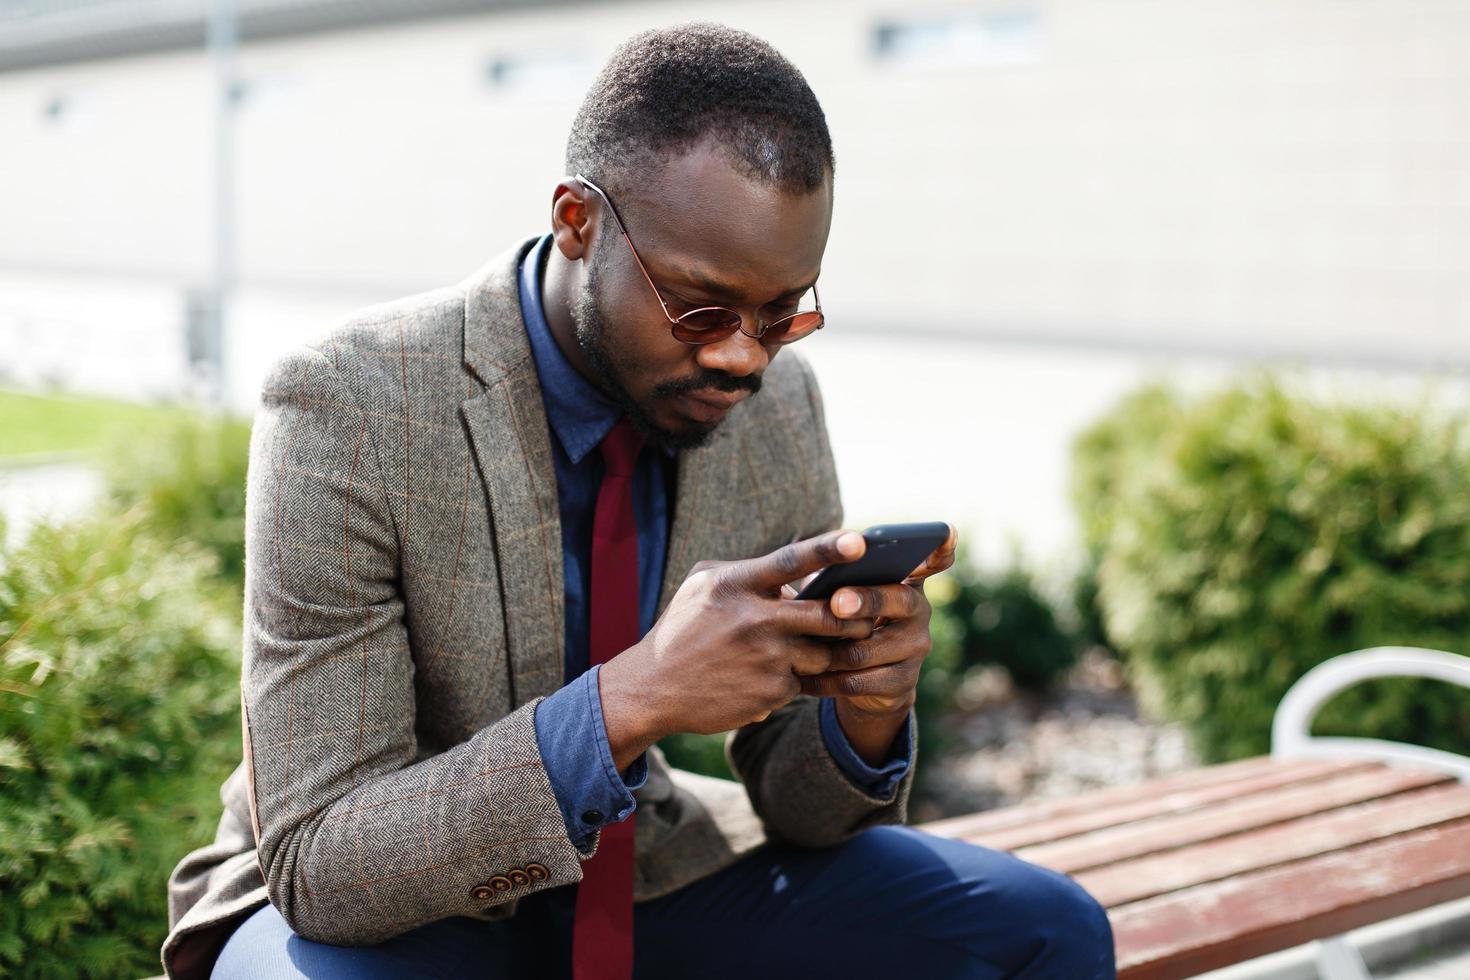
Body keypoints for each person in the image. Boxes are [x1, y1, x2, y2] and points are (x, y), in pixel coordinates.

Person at [162, 23, 1115, 980]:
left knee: (1048, 929)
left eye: (784, 314)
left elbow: (805, 812)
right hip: (373, 913)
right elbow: (326, 864)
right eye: (701, 308)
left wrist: (863, 711)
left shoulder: (777, 405)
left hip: (644, 870)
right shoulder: (350, 405)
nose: (743, 355)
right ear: (578, 222)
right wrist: (636, 698)